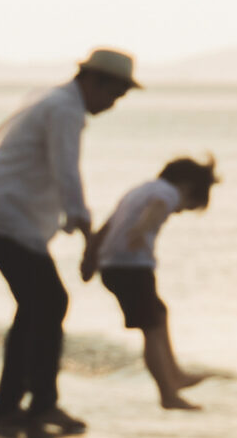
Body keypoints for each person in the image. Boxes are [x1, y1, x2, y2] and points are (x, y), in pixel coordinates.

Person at [0, 49, 139, 438]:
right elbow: (66, 171)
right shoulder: (65, 110)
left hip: (3, 214)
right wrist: (87, 232)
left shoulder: (52, 99)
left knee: (39, 305)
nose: (113, 105)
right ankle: (26, 408)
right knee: (48, 302)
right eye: (114, 95)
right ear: (94, 81)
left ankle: (24, 408)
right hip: (4, 215)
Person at [82, 156, 219, 411]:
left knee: (159, 313)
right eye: (188, 205)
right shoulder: (165, 193)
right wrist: (141, 229)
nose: (179, 211)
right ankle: (168, 394)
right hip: (131, 267)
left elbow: (108, 225)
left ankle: (175, 374)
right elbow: (157, 207)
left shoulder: (139, 190)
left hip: (114, 265)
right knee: (151, 328)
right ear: (187, 187)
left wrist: (89, 258)